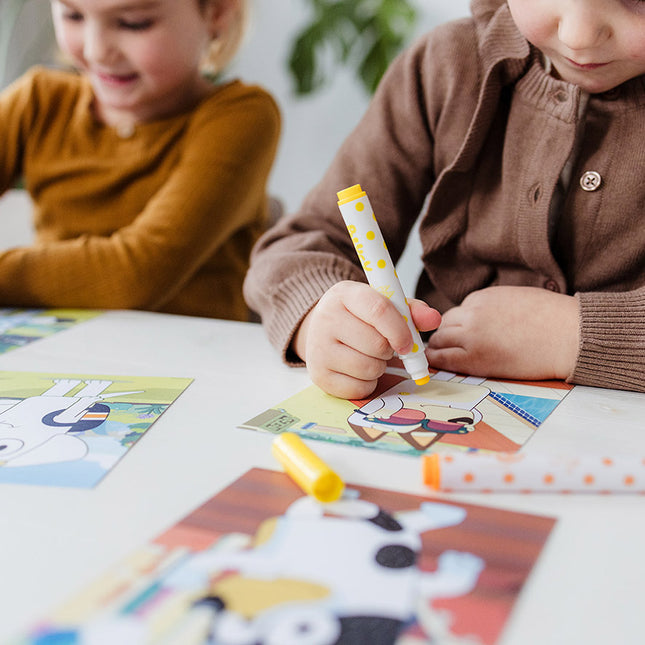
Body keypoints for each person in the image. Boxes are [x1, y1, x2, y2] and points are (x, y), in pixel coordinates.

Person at [244, 0, 645, 399]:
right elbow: (295, 249)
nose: (578, 35)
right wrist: (320, 319)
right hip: (434, 406)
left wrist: (572, 335)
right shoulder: (446, 64)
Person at [0, 0, 280, 321]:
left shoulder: (241, 116)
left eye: (133, 23)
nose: (96, 51)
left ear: (216, 14)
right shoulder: (36, 101)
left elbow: (136, 273)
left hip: (191, 360)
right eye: (73, 15)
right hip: (56, 354)